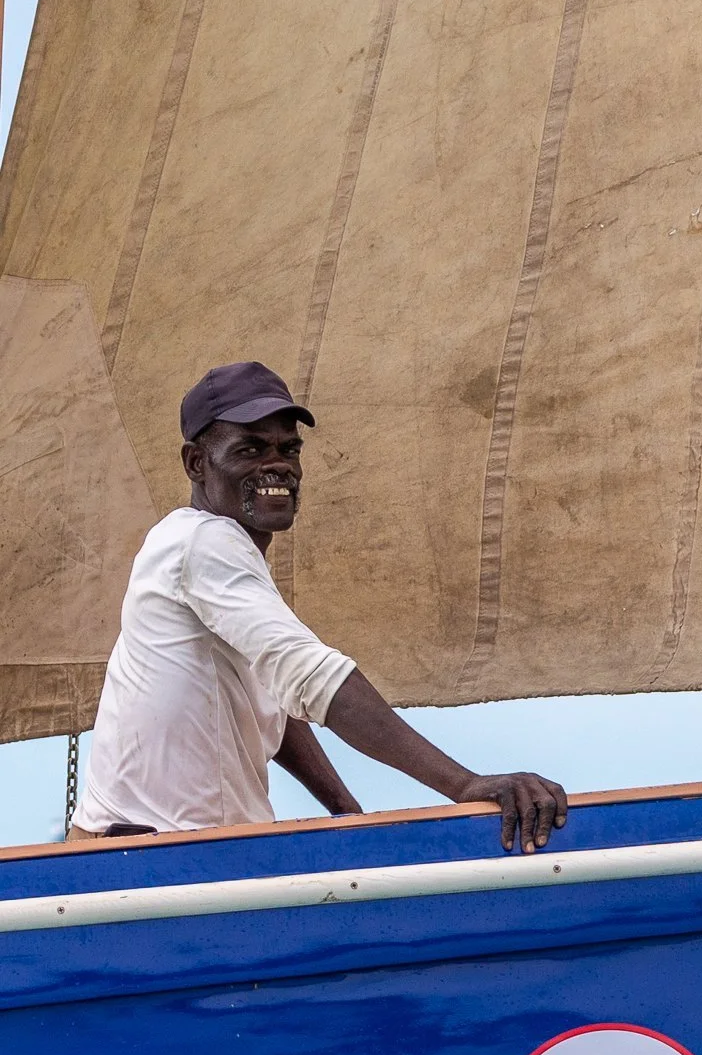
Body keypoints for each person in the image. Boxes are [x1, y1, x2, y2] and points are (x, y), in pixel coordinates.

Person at [70, 362, 567, 852]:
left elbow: (277, 699)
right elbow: (313, 676)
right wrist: (464, 786)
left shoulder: (213, 558)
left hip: (180, 853)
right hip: (145, 862)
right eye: (250, 449)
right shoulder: (203, 543)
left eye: (289, 449)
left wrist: (346, 812)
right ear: (197, 463)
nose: (279, 465)